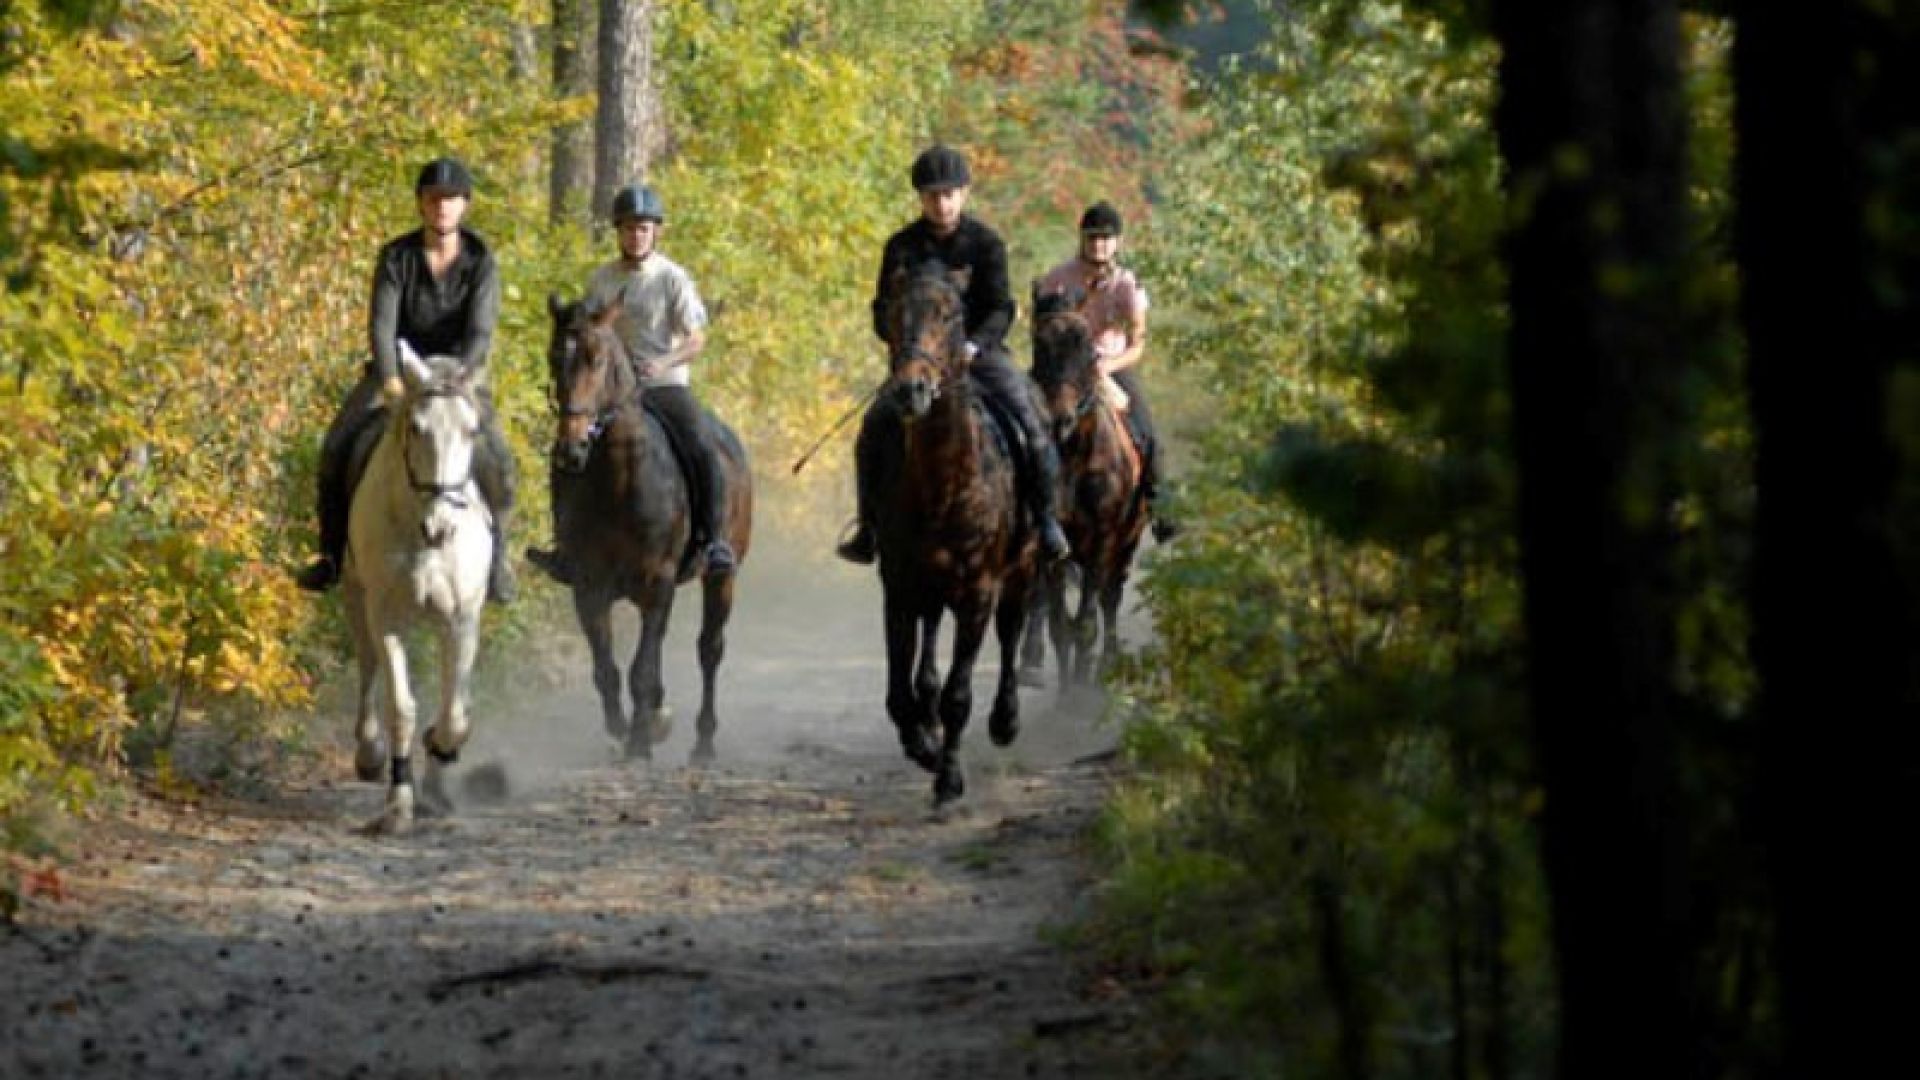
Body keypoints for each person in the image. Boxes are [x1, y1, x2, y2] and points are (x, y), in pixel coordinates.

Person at [295, 156, 518, 602]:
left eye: (450, 200)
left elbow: (480, 331)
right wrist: (393, 381)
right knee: (337, 445)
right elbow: (382, 325)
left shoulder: (481, 260)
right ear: (421, 203)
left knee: (498, 457)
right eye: (434, 199)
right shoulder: (396, 257)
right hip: (398, 374)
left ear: (464, 206)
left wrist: (461, 377)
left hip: (458, 377)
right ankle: (332, 555)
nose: (442, 207)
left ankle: (499, 564)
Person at [836, 145, 1071, 566]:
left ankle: (1046, 520)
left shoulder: (985, 243)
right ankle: (869, 527)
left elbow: (1003, 307)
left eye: (949, 194)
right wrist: (905, 348)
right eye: (932, 195)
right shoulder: (901, 248)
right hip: (921, 364)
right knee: (872, 428)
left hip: (980, 357)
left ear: (964, 194)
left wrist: (973, 345)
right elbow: (880, 309)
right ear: (921, 199)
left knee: (1031, 421)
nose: (941, 203)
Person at [525, 182, 736, 583]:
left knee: (701, 444)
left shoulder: (672, 278)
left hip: (665, 385)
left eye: (643, 228)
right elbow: (585, 336)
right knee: (566, 453)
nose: (635, 235)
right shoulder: (601, 280)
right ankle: (565, 546)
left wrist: (664, 362)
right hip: (611, 394)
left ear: (655, 232)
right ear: (617, 232)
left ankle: (713, 541)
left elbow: (696, 338)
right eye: (627, 228)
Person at [1035, 201, 1177, 543]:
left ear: (1117, 242)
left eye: (1105, 238)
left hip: (1109, 367)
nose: (1098, 244)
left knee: (1148, 433)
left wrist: (1106, 366)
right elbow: (1040, 331)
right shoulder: (1056, 280)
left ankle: (1161, 506)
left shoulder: (1127, 285)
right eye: (1092, 237)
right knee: (1024, 420)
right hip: (1062, 371)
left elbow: (1138, 343)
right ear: (1082, 239)